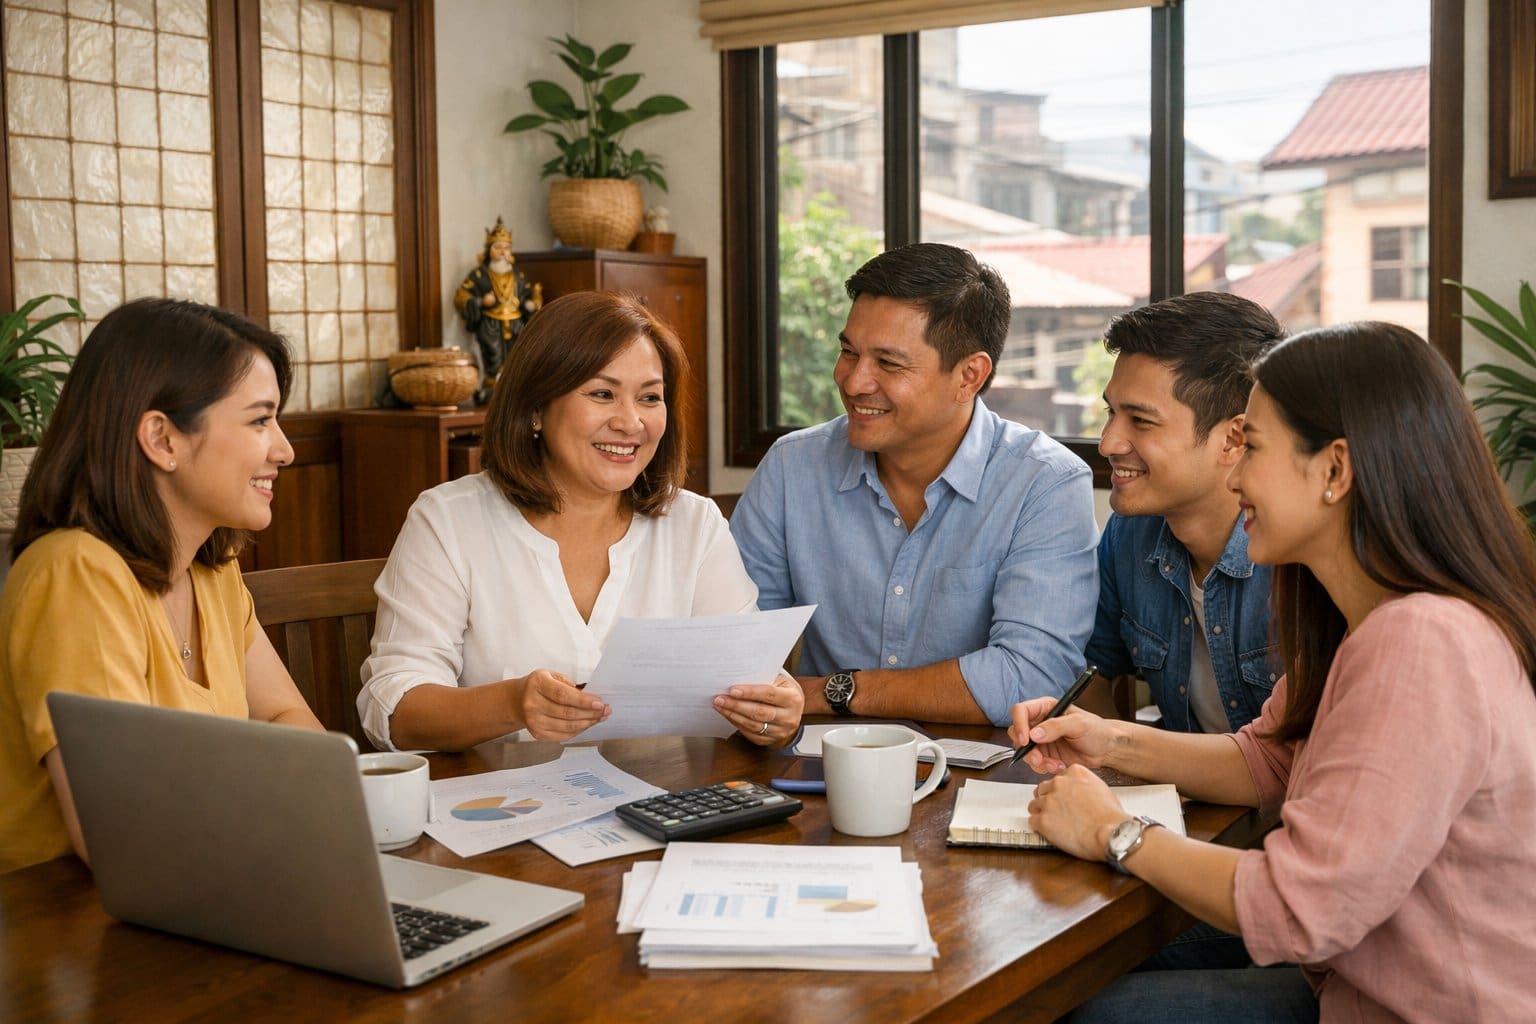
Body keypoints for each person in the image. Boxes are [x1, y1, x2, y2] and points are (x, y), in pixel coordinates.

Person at [1014, 322, 1536, 1023]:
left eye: (1252, 448)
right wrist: (1109, 742)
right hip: (1349, 979)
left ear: (1334, 470)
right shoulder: (1371, 614)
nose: (1234, 475)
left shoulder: (1422, 641)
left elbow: (1300, 908)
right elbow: (1269, 755)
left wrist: (1116, 831)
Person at [358, 291, 803, 751]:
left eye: (650, 397)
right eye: (602, 394)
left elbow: (748, 674)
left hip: (665, 805)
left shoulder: (694, 523)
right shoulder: (448, 520)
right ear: (534, 407)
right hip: (508, 808)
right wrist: (512, 705)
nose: (631, 423)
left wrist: (773, 715)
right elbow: (393, 710)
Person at [0, 298, 323, 875]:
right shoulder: (75, 574)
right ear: (163, 439)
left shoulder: (212, 572)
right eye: (258, 420)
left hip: (202, 891)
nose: (285, 449)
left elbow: (297, 732)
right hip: (70, 938)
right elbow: (123, 833)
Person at [730, 243, 1098, 727]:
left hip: (982, 782)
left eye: (888, 363)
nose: (854, 381)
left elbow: (1028, 677)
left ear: (969, 376)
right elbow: (734, 649)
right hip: (816, 771)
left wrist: (832, 692)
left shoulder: (1046, 484)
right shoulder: (792, 466)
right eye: (848, 352)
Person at [1084, 292, 1286, 732]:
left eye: (1140, 421)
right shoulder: (1129, 533)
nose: (1107, 443)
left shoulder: (1299, 555)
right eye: (1110, 412)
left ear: (1234, 439)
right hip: (1178, 797)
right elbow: (1092, 677)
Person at [453, 216, 542, 401]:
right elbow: (461, 295)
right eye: (498, 247)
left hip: (515, 322)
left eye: (506, 247)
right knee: (493, 356)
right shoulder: (479, 274)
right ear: (489, 250)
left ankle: (513, 390)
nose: (502, 252)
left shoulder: (517, 274)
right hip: (491, 323)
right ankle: (492, 389)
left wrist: (530, 303)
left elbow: (528, 294)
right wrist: (479, 302)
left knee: (516, 358)